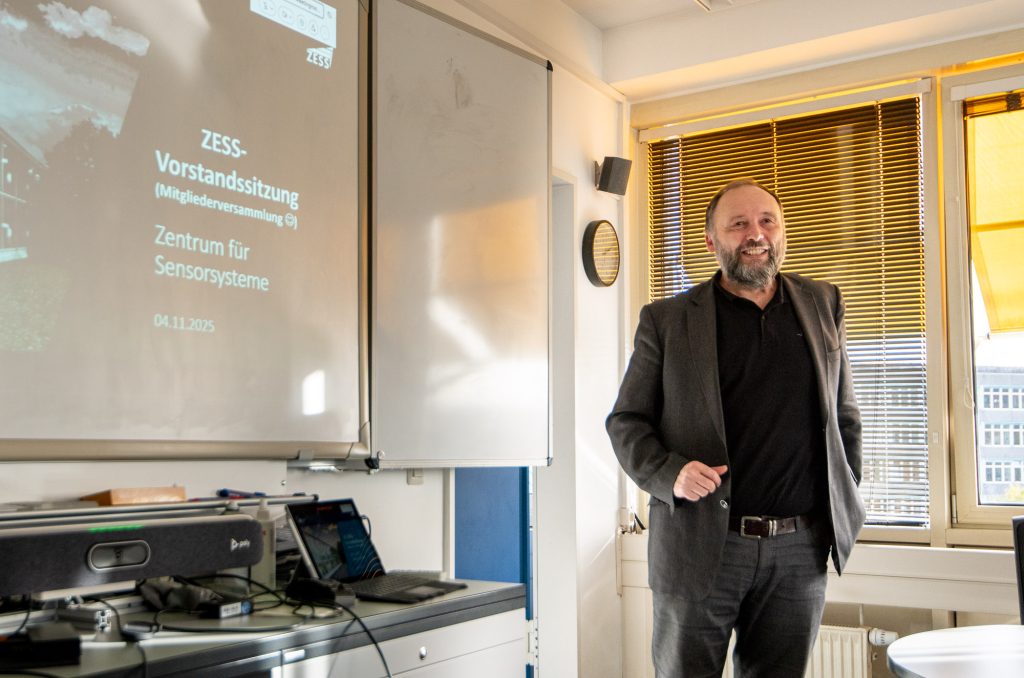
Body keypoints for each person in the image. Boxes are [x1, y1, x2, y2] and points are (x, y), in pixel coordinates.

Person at [606, 178, 865, 677]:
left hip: (799, 551)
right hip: (702, 546)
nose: (756, 233)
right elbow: (626, 421)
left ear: (782, 233)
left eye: (767, 221)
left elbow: (845, 414)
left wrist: (845, 485)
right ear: (711, 242)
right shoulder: (668, 320)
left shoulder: (823, 303)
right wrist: (669, 473)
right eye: (739, 223)